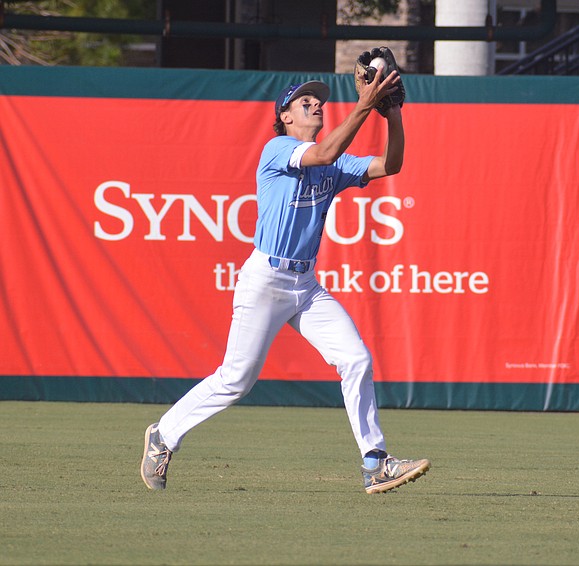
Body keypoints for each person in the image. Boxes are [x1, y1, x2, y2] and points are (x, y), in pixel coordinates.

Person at [140, 69, 430, 494]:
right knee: (237, 379)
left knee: (356, 360)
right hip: (266, 278)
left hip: (306, 284)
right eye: (304, 101)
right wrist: (365, 105)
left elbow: (391, 164)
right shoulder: (278, 149)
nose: (315, 103)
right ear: (285, 117)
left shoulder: (335, 161)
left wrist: (394, 114)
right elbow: (325, 155)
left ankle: (375, 462)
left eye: (319, 100)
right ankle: (163, 435)